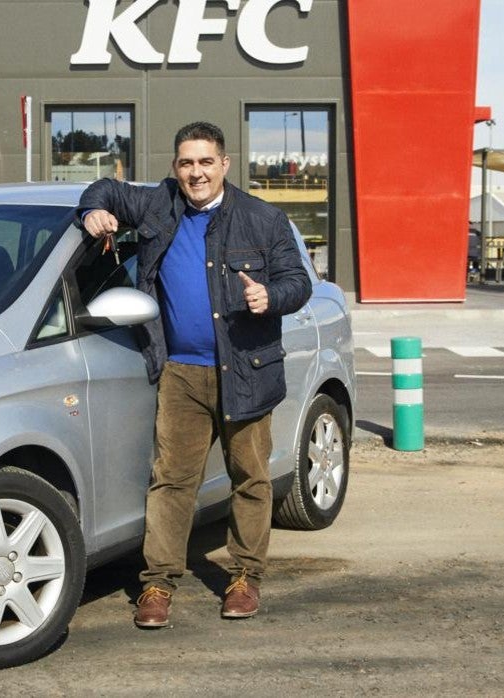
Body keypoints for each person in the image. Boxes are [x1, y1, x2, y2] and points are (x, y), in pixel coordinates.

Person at [78, 121, 312, 628]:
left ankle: (245, 577)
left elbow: (297, 281)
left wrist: (271, 296)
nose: (196, 172)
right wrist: (94, 209)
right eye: (187, 163)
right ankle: (159, 584)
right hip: (181, 373)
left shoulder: (262, 219)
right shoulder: (158, 204)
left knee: (250, 478)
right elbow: (103, 189)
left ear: (224, 165)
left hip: (246, 370)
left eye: (206, 162)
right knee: (171, 481)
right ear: (175, 168)